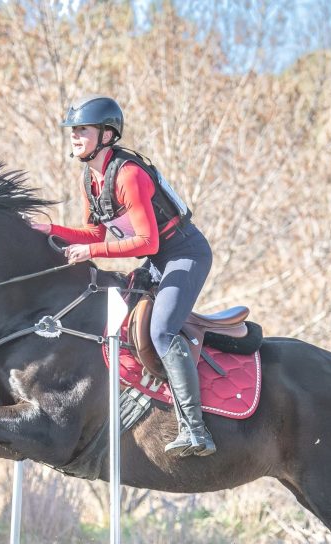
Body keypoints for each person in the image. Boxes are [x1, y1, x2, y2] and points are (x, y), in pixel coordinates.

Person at [31, 95, 216, 457]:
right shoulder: (91, 180)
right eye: (73, 130)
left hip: (185, 255)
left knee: (161, 330)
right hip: (157, 260)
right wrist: (48, 228)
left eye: (82, 129)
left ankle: (196, 430)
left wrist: (91, 253)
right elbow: (95, 236)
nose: (74, 136)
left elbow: (146, 242)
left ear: (106, 134)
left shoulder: (128, 175)